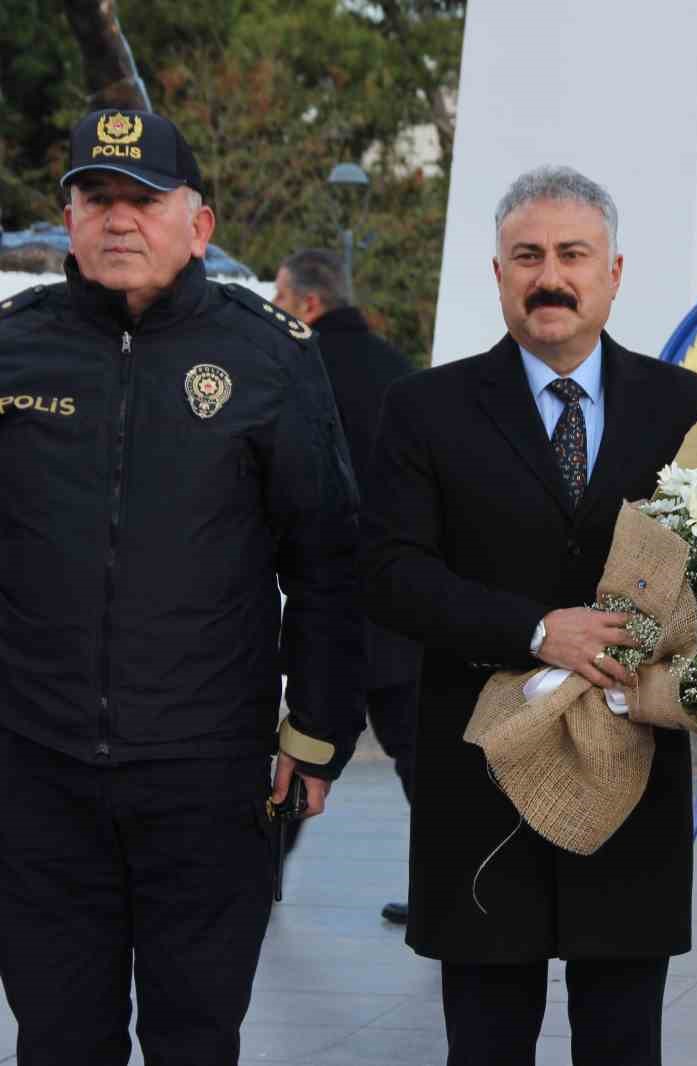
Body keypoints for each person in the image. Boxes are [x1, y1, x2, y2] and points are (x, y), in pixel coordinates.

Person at [0, 109, 364, 1064]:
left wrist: (316, 736)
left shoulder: (271, 356)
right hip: (34, 771)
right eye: (96, 198)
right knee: (57, 1039)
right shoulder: (14, 350)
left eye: (143, 201)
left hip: (206, 774)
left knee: (195, 1038)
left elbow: (326, 562)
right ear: (68, 220)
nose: (119, 221)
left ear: (197, 226)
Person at [362, 165, 697, 1066]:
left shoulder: (689, 410)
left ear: (614, 272)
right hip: (481, 781)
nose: (548, 275)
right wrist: (532, 630)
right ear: (497, 273)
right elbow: (391, 573)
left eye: (572, 254)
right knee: (485, 1043)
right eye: (527, 255)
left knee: (624, 1040)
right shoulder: (421, 409)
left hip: (632, 778)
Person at [273, 247, 420, 925]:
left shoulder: (295, 368)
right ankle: (442, 891)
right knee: (419, 761)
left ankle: (261, 878)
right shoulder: (402, 375)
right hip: (398, 605)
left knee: (304, 748)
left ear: (307, 303)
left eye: (281, 298)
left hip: (326, 604)